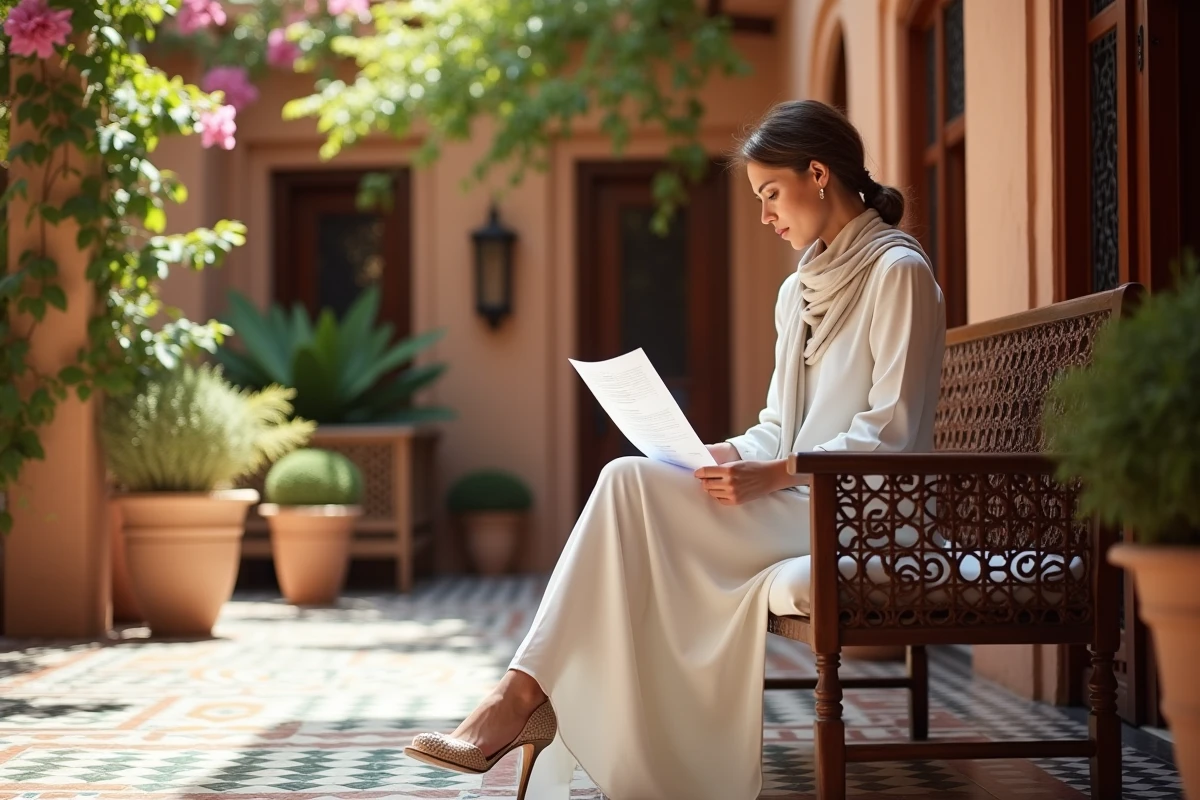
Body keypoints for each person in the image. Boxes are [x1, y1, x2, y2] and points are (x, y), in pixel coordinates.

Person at [403, 99, 947, 800]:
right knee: (632, 478)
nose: (764, 216)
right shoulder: (798, 292)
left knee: (628, 495)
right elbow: (777, 426)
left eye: (770, 193)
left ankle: (517, 703)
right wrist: (715, 454)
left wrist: (772, 473)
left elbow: (892, 434)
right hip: (797, 498)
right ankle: (521, 699)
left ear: (818, 174)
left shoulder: (897, 273)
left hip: (869, 513)